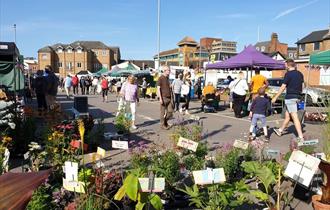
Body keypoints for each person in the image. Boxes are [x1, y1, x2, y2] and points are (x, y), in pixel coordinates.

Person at [272, 59, 305, 142]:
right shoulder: (300, 74)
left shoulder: (288, 74)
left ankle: (300, 137)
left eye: (285, 65)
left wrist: (275, 97)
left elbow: (283, 87)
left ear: (288, 65)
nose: (284, 66)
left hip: (290, 97)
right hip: (297, 96)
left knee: (294, 117)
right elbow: (303, 85)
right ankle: (280, 130)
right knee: (287, 116)